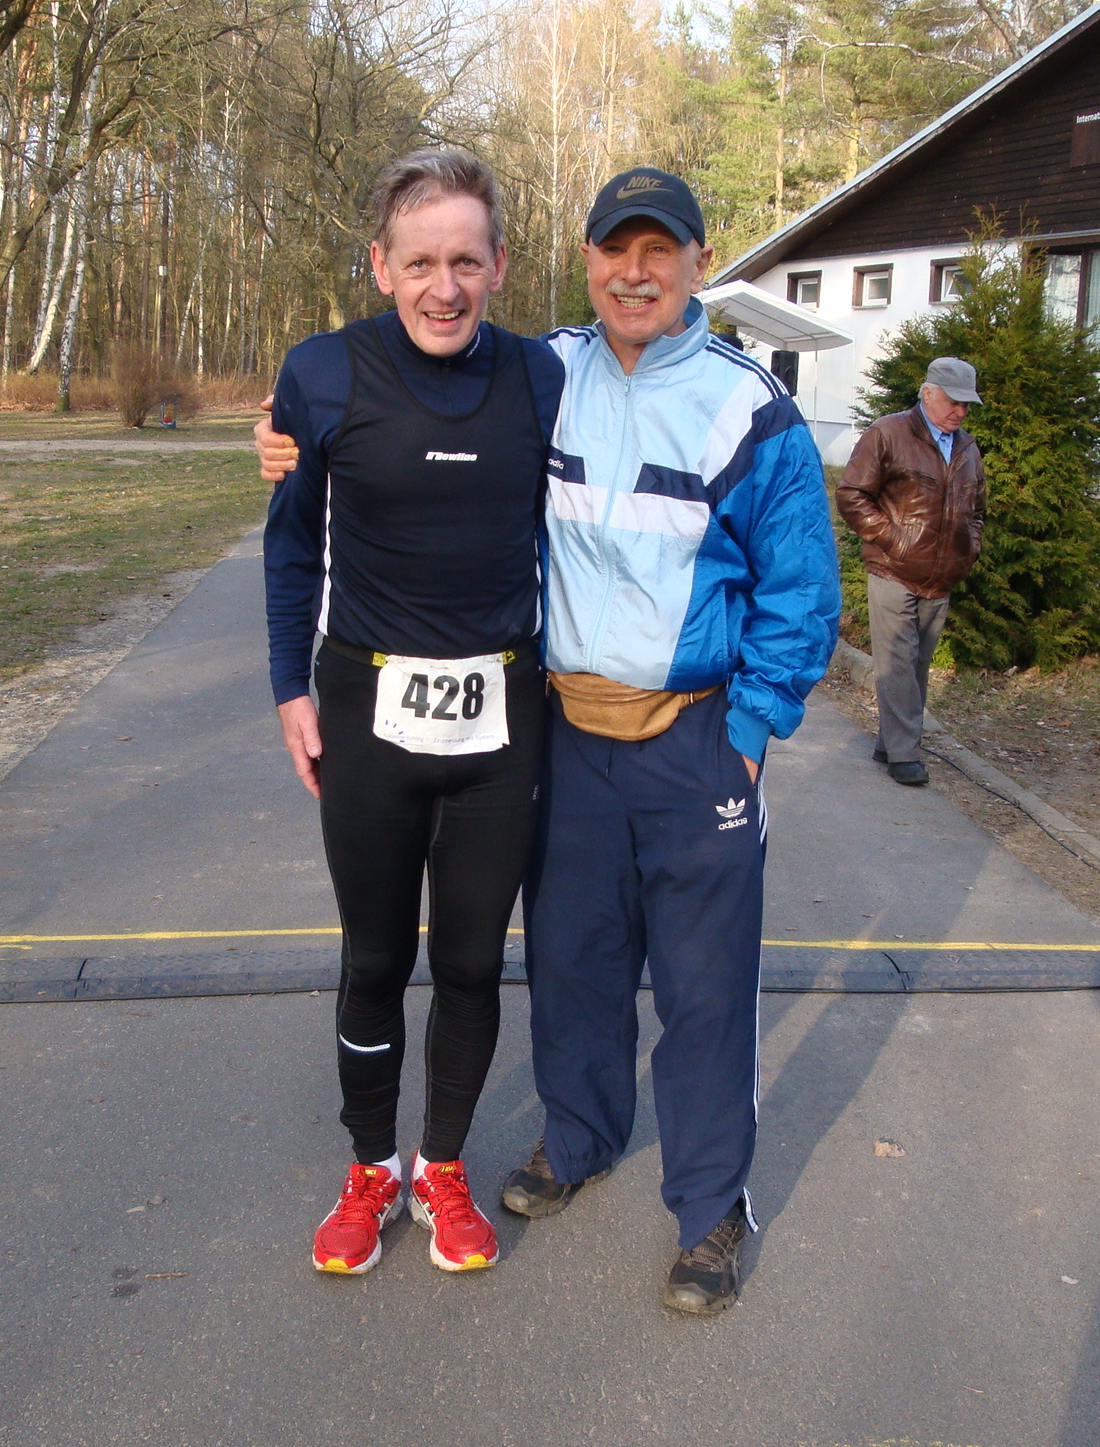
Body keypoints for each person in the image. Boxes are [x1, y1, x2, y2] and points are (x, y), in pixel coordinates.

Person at [261, 167, 839, 1314]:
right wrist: (285, 441)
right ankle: (576, 1139)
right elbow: (415, 400)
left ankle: (709, 1210)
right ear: (584, 263)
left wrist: (751, 730)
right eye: (615, 250)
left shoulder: (750, 408)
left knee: (702, 991)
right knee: (572, 963)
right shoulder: (548, 373)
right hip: (566, 730)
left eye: (659, 251)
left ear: (696, 261)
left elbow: (800, 588)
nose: (636, 273)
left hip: (695, 739)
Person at [263, 148, 564, 1277]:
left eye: (467, 263)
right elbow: (290, 544)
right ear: (380, 265)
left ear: (500, 266)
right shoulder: (321, 373)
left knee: (476, 962)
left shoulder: (543, 376)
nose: (446, 288)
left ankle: (441, 1166)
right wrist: (288, 688)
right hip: (367, 708)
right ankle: (369, 1169)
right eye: (422, 262)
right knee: (377, 957)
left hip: (501, 717)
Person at [833, 357, 986, 787]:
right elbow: (851, 494)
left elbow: (977, 510)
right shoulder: (889, 432)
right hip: (893, 569)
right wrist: (893, 540)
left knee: (917, 664)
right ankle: (904, 754)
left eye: (967, 405)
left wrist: (969, 549)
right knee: (897, 662)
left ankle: (890, 742)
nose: (960, 412)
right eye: (954, 402)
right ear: (928, 393)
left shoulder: (968, 449)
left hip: (942, 576)